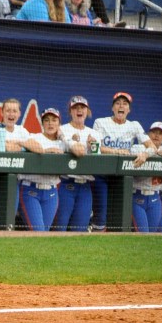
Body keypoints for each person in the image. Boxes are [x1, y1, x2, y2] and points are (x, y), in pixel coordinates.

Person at [91, 91, 148, 232]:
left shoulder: (134, 125)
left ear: (129, 109)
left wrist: (145, 154)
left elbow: (151, 145)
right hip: (102, 173)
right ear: (112, 108)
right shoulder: (100, 122)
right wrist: (117, 151)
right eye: (118, 103)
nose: (121, 106)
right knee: (101, 212)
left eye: (125, 104)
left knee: (120, 213)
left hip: (122, 177)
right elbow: (95, 147)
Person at [53, 95, 99, 231]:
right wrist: (72, 142)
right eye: (75, 108)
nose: (79, 110)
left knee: (79, 230)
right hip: (66, 183)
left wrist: (93, 148)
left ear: (88, 111)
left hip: (85, 186)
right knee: (59, 228)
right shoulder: (62, 129)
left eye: (82, 107)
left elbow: (98, 161)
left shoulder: (94, 133)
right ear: (70, 111)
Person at [20, 107, 69, 231]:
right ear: (42, 123)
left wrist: (64, 137)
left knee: (44, 235)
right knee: (38, 232)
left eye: (54, 120)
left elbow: (78, 150)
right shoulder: (35, 137)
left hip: (51, 192)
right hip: (31, 189)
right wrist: (47, 151)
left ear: (59, 123)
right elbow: (25, 142)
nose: (50, 123)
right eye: (46, 120)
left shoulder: (63, 143)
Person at [127, 121, 162, 233]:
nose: (156, 135)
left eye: (161, 133)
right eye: (154, 132)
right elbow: (134, 151)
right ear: (148, 134)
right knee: (143, 234)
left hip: (155, 198)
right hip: (137, 195)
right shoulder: (138, 148)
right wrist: (148, 153)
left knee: (151, 236)